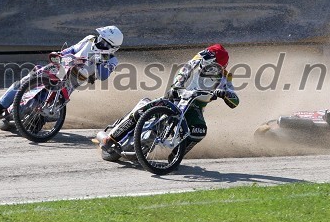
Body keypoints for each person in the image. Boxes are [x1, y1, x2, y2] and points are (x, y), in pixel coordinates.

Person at [100, 43, 239, 157]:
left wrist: (225, 93)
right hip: (176, 97)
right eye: (206, 59)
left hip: (194, 107)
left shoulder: (224, 78)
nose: (205, 62)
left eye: (210, 61)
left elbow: (235, 100)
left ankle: (175, 157)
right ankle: (112, 137)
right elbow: (183, 71)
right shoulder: (195, 63)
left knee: (199, 130)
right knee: (144, 107)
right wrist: (177, 85)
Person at [0, 25, 124, 121]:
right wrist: (61, 54)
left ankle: (38, 120)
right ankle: (0, 105)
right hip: (61, 66)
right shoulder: (90, 39)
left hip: (73, 80)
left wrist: (100, 61)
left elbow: (104, 76)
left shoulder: (111, 59)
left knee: (53, 107)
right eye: (100, 37)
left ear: (111, 47)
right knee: (27, 80)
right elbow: (72, 49)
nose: (99, 41)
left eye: (103, 41)